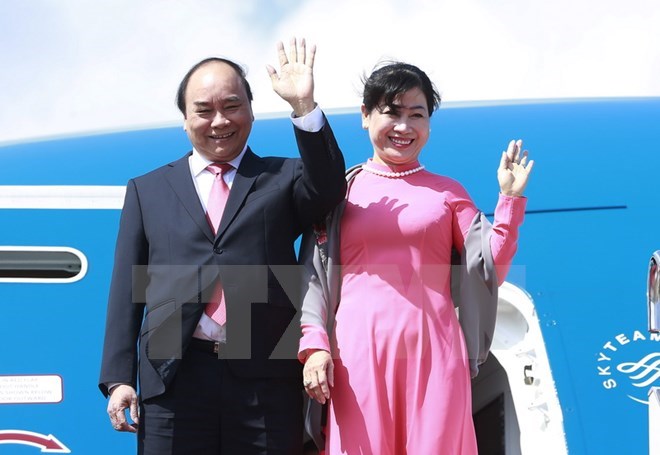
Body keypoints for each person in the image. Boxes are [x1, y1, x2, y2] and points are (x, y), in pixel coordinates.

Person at [99, 37, 346, 455]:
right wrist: (119, 378)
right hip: (173, 377)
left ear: (250, 110)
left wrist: (304, 106)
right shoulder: (148, 190)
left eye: (231, 106)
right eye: (204, 110)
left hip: (264, 379)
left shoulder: (283, 177)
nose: (219, 121)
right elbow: (127, 288)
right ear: (184, 118)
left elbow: (329, 188)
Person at [298, 62, 534, 454]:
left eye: (416, 115)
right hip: (356, 353)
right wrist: (315, 346)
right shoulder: (340, 191)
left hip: (435, 352)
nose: (404, 127)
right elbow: (313, 278)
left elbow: (489, 267)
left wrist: (509, 202)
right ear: (365, 116)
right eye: (392, 112)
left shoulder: (447, 192)